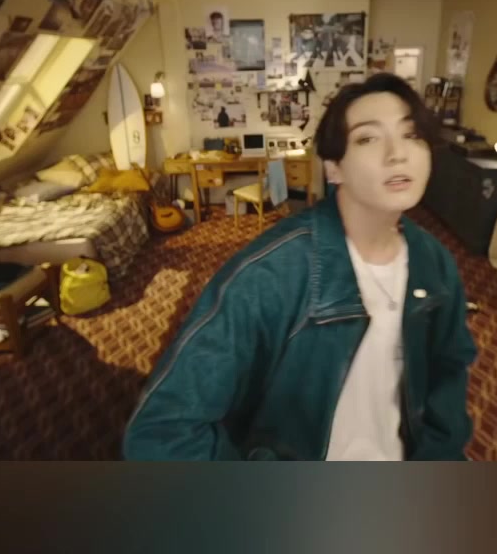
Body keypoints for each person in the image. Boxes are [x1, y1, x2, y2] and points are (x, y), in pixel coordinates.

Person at [124, 72, 477, 460]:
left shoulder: (435, 263)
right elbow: (160, 432)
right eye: (368, 138)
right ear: (333, 168)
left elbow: (449, 375)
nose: (398, 153)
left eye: (412, 134)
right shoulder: (269, 275)